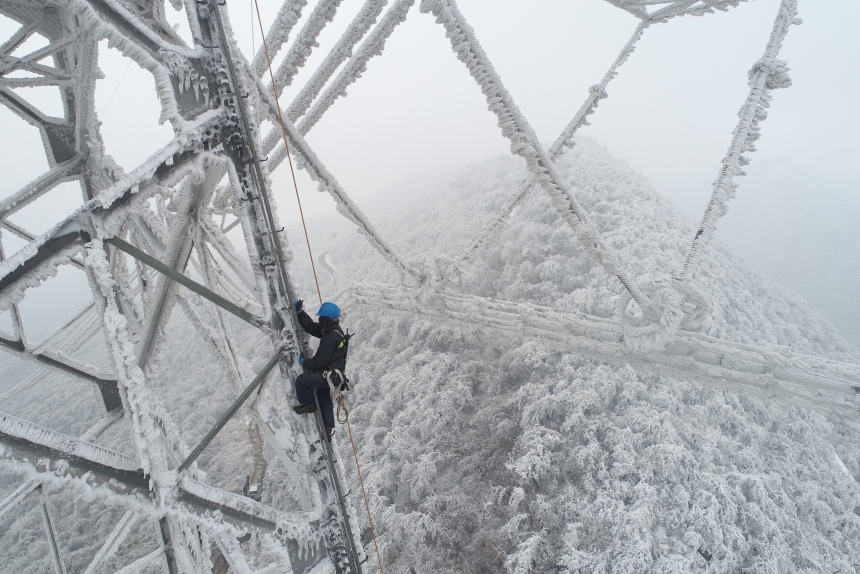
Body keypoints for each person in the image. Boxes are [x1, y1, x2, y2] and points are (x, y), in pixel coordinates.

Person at [291, 300, 348, 441]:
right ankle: (328, 428)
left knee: (302, 381)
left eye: (321, 318)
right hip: (333, 377)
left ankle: (309, 405)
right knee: (323, 395)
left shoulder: (330, 337)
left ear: (327, 319)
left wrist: (306, 363)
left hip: (329, 376)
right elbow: (311, 327)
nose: (320, 320)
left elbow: (320, 360)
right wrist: (300, 313)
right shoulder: (333, 331)